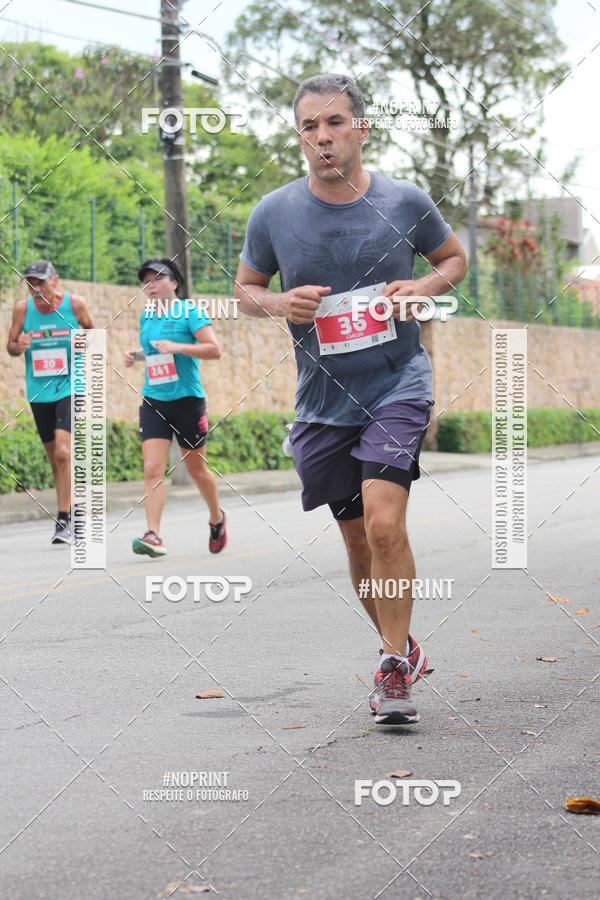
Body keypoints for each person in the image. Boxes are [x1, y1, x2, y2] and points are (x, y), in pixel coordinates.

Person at [235, 74, 467, 726]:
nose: (322, 138)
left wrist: (425, 286)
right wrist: (279, 302)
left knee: (385, 522)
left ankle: (392, 666)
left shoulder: (405, 201)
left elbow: (454, 259)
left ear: (361, 129)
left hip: (398, 380)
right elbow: (245, 289)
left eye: (335, 123)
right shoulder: (274, 212)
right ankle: (405, 646)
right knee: (359, 543)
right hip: (322, 401)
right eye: (310, 127)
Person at [125, 258, 227, 557]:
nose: (151, 284)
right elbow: (155, 353)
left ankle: (217, 517)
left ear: (174, 282)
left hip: (187, 401)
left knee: (197, 469)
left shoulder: (190, 312)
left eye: (158, 278)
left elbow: (214, 350)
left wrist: (179, 346)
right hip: (154, 399)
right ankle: (153, 535)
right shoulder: (147, 316)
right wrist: (135, 356)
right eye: (146, 280)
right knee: (152, 468)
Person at [6, 260, 95, 544]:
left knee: (62, 451)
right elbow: (10, 345)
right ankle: (72, 512)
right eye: (31, 283)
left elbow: (92, 333)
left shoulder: (74, 305)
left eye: (40, 282)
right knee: (55, 459)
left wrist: (82, 343)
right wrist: (17, 346)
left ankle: (65, 518)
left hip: (70, 386)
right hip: (39, 391)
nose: (35, 289)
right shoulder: (23, 309)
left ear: (54, 281)